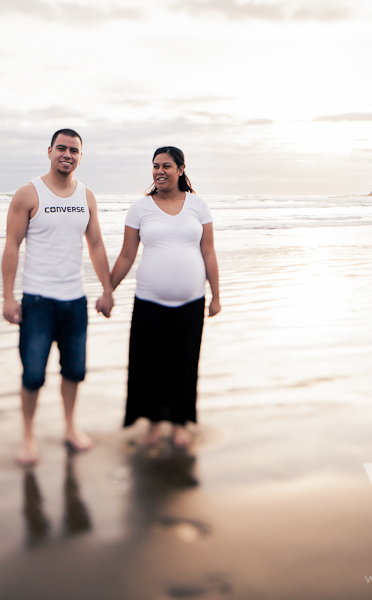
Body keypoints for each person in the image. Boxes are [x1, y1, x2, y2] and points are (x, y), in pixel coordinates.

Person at [2, 129, 114, 466]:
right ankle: (28, 435)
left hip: (75, 301)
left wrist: (107, 289)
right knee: (33, 375)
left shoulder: (86, 196)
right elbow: (12, 246)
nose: (67, 154)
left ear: (81, 156)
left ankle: (70, 427)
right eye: (61, 148)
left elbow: (96, 244)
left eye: (74, 150)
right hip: (38, 302)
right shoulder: (28, 193)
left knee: (74, 371)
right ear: (49, 151)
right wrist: (8, 297)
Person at [110, 146, 220, 448]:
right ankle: (154, 423)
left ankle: (180, 422)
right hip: (149, 301)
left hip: (191, 301)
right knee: (149, 364)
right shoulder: (140, 208)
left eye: (167, 166)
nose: (160, 171)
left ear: (181, 170)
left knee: (184, 363)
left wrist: (216, 296)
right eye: (156, 166)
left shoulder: (198, 206)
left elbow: (209, 252)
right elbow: (127, 255)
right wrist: (108, 290)